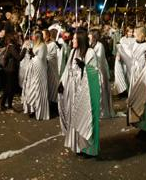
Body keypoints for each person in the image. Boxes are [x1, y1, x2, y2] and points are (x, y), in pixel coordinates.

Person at [58, 29, 101, 157]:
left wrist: (85, 68)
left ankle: (88, 148)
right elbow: (67, 70)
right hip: (73, 91)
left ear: (81, 40)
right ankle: (78, 146)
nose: (72, 40)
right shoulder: (72, 52)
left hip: (86, 94)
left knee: (85, 117)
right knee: (74, 117)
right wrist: (62, 83)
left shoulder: (90, 52)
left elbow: (95, 74)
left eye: (75, 39)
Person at [126, 26, 146, 136]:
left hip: (144, 78)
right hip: (135, 76)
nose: (133, 34)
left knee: (144, 100)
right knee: (135, 100)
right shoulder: (134, 44)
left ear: (142, 35)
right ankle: (140, 124)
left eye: (135, 33)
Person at [20, 30, 50, 120]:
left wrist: (33, 55)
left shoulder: (43, 46)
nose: (32, 37)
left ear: (37, 37)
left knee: (38, 88)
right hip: (33, 70)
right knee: (31, 87)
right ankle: (33, 108)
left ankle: (39, 110)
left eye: (33, 36)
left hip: (39, 70)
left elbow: (41, 59)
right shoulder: (35, 45)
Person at [91, 29, 115, 118]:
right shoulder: (92, 45)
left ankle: (103, 111)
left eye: (90, 35)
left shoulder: (100, 45)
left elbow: (99, 59)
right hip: (94, 71)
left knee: (102, 90)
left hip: (100, 71)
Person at [0, 34, 21, 112]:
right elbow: (18, 57)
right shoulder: (11, 47)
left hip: (8, 69)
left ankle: (4, 105)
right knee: (10, 88)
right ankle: (8, 106)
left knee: (9, 88)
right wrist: (24, 49)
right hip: (10, 70)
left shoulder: (10, 46)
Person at [114, 26, 135, 95]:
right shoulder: (122, 39)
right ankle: (124, 90)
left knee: (130, 74)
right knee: (124, 73)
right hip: (123, 58)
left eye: (132, 32)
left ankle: (130, 89)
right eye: (129, 32)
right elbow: (120, 48)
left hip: (131, 58)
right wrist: (118, 55)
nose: (131, 34)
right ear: (126, 32)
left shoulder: (135, 39)